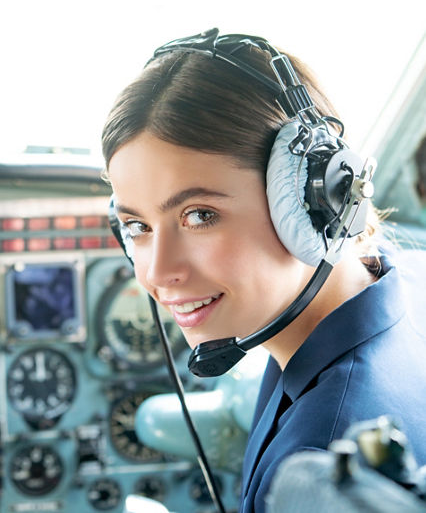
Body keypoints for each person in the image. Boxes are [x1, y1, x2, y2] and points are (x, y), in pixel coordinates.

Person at [101, 29, 426, 513]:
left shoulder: (318, 466)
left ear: (315, 202)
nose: (156, 272)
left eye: (199, 215)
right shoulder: (401, 284)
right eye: (137, 226)